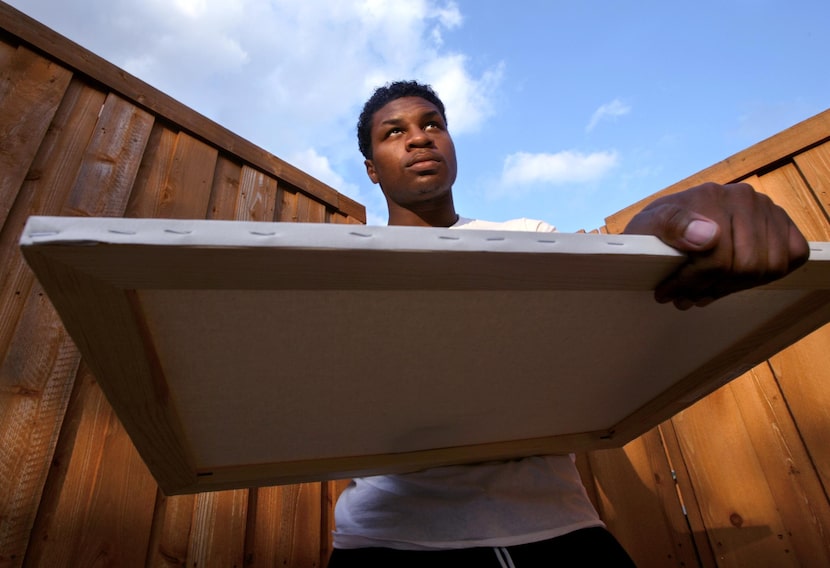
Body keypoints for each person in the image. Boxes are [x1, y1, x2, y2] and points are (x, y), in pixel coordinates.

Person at [327, 80, 810, 567]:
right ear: (371, 168)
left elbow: (610, 290)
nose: (420, 137)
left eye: (433, 124)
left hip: (559, 529)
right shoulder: (341, 270)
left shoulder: (526, 238)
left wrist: (655, 239)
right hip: (388, 539)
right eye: (394, 132)